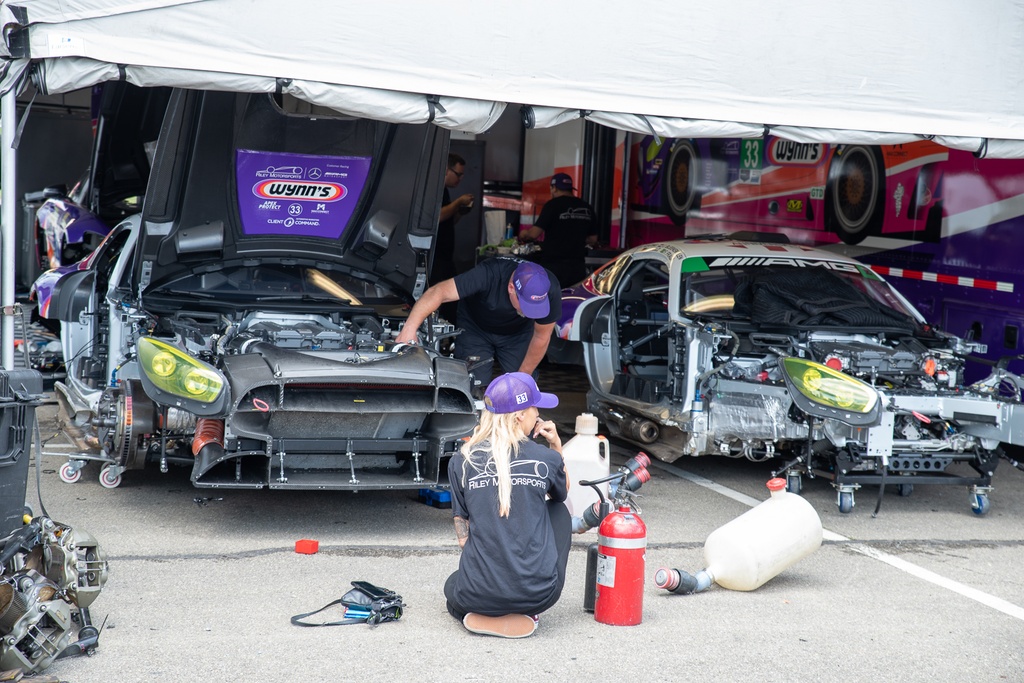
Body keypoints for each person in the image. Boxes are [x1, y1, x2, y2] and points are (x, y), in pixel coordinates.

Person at [443, 372, 571, 638]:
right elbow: (562, 492)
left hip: (476, 595)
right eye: (535, 408)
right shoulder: (545, 458)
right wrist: (556, 445)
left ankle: (480, 614)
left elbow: (463, 538)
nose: (538, 415)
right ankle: (522, 614)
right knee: (559, 510)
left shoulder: (461, 460)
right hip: (539, 595)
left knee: (452, 587)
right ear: (519, 416)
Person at [394, 257, 561, 387]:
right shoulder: (488, 274)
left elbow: (541, 337)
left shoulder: (549, 288)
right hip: (476, 328)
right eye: (526, 306)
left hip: (517, 334)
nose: (530, 312)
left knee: (523, 387)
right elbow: (439, 292)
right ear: (511, 288)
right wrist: (409, 329)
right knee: (473, 383)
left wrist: (523, 377)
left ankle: (516, 430)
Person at [519, 172, 599, 287]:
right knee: (573, 300)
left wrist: (523, 234)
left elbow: (533, 235)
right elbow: (593, 239)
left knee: (552, 300)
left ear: (554, 188)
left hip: (554, 266)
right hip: (577, 267)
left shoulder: (552, 205)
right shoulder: (586, 207)